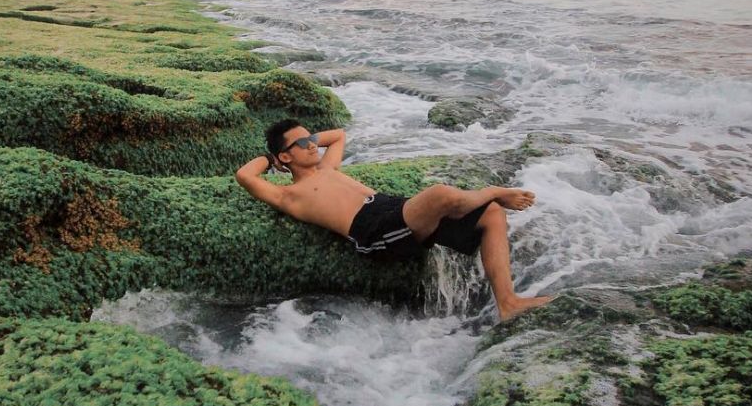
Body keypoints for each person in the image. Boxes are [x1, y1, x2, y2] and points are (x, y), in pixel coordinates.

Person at [234, 118, 553, 322]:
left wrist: (305, 137)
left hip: (392, 209)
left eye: (311, 139)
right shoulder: (290, 195)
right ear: (286, 157)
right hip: (373, 231)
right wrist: (271, 157)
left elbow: (339, 135)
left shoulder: (327, 168)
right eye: (302, 143)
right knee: (441, 194)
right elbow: (244, 175)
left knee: (492, 214)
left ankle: (508, 302)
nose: (313, 144)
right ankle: (494, 191)